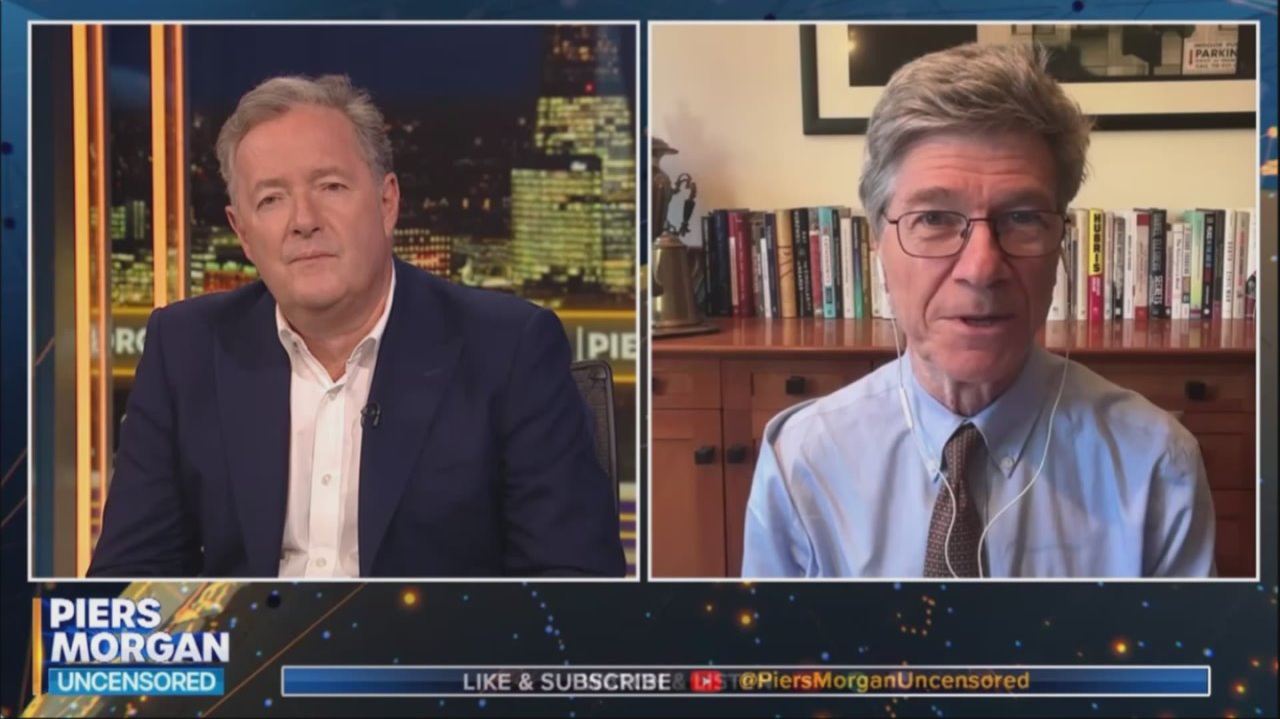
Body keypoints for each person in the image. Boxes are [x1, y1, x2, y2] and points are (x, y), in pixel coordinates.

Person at [90, 75, 626, 578]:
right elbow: (127, 585)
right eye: (271, 199)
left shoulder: (507, 349)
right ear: (243, 232)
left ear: (387, 202)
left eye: (330, 186)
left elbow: (573, 585)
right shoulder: (185, 350)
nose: (303, 220)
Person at [742, 43, 1215, 579]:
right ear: (877, 243)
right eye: (934, 219)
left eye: (1023, 218)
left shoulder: (1157, 466)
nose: (982, 268)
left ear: (1061, 244)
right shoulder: (802, 461)